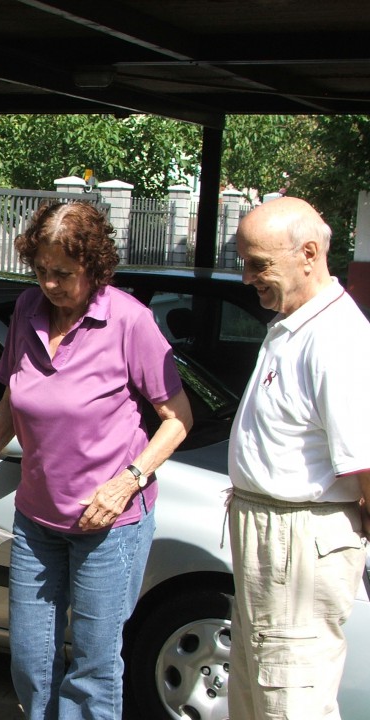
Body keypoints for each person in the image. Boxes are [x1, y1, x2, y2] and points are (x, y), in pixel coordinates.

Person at [0, 201, 193, 719]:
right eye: (40, 270)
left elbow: (177, 419)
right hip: (37, 520)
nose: (50, 283)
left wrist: (128, 481)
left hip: (109, 524)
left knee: (94, 664)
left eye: (63, 273)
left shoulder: (129, 320)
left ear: (95, 266)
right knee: (30, 659)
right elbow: (11, 399)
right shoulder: (26, 310)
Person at [227, 196, 370, 719]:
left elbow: (366, 464)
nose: (247, 278)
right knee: (256, 690)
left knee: (291, 693)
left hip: (297, 536)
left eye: (258, 263)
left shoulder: (337, 338)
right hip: (273, 532)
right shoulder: (297, 323)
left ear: (308, 253)